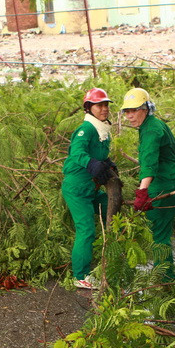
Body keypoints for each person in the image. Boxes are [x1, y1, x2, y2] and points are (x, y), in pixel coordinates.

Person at [122, 88, 175, 281]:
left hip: (169, 184)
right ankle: (166, 274)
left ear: (145, 108)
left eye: (134, 110)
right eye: (126, 111)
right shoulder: (151, 124)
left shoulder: (151, 130)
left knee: (158, 231)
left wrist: (142, 192)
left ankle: (164, 278)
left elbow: (149, 163)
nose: (129, 116)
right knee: (161, 228)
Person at [62, 88, 116, 290]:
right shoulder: (87, 129)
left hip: (91, 187)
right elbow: (77, 153)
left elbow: (99, 154)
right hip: (77, 187)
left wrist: (107, 163)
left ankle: (114, 255)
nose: (104, 109)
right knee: (86, 230)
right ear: (89, 108)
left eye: (106, 105)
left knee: (112, 208)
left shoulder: (103, 129)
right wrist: (91, 164)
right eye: (99, 105)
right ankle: (80, 275)